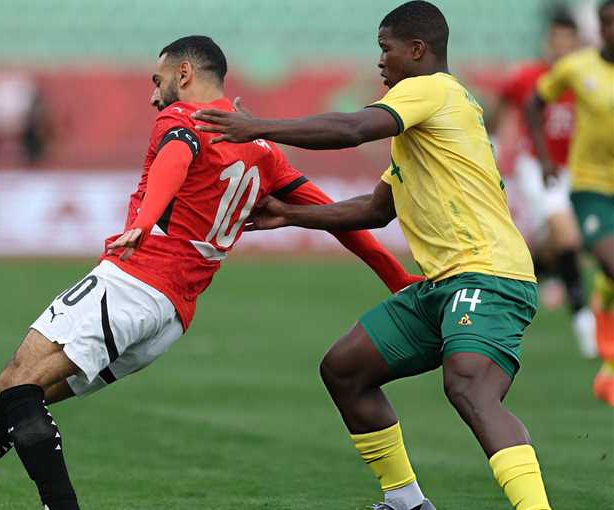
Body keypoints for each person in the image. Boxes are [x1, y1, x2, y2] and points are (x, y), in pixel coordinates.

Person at [0, 36, 420, 510]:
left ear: (185, 73)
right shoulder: (264, 151)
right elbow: (339, 220)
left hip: (137, 279)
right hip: (172, 314)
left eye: (158, 79)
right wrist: (397, 278)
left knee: (17, 383)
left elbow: (176, 157)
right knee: (21, 398)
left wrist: (142, 220)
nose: (153, 94)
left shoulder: (184, 117)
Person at [193, 2, 550, 509]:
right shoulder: (423, 126)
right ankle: (406, 501)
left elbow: (351, 129)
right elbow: (377, 209)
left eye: (386, 48)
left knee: (470, 386)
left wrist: (260, 127)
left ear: (417, 50)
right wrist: (291, 214)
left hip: (488, 274)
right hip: (443, 284)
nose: (380, 60)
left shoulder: (430, 90)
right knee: (345, 369)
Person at [490, 9, 595, 357]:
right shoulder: (529, 77)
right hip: (537, 166)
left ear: (576, 42)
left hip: (576, 170)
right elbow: (502, 101)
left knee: (554, 245)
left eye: (567, 39)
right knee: (568, 235)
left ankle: (510, 285)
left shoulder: (585, 77)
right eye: (556, 38)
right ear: (548, 41)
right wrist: (492, 139)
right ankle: (584, 320)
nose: (560, 45)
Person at [527, 0, 614, 406]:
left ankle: (606, 363)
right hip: (588, 185)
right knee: (599, 256)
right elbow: (534, 103)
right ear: (599, 26)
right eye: (609, 23)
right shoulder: (576, 68)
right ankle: (594, 324)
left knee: (597, 267)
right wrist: (543, 158)